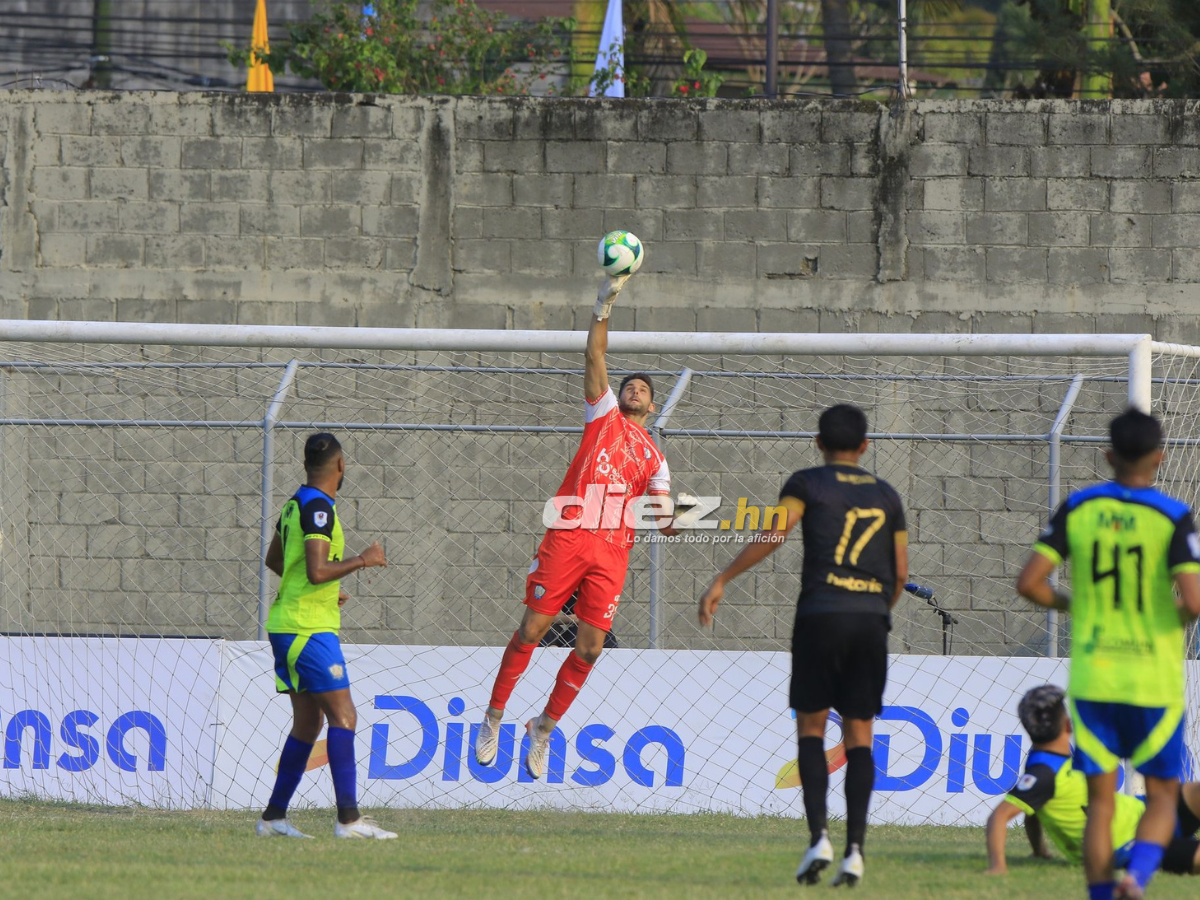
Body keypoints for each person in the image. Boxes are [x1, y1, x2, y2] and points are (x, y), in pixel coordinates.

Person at [474, 274, 676, 779]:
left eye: (644, 390)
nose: (634, 389)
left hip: (612, 552)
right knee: (533, 628)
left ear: (653, 407)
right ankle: (494, 715)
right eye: (631, 383)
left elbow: (663, 514)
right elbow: (594, 357)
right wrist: (602, 307)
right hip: (570, 535)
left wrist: (674, 521)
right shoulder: (603, 415)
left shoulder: (655, 456)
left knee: (589, 646)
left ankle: (543, 727)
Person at [697, 404, 907, 888]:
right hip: (870, 618)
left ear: (818, 443)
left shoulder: (806, 483)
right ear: (865, 446)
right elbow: (900, 573)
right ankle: (856, 850)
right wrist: (876, 612)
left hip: (820, 615)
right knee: (859, 736)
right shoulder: (888, 496)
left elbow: (775, 533)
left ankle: (819, 837)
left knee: (812, 731)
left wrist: (724, 577)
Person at [1016, 408, 1200, 899]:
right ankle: (1136, 880)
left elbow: (1029, 583)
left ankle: (1100, 896)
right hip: (1152, 680)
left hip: (1095, 679)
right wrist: (1167, 619)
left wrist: (1073, 604)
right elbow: (1196, 601)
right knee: (1161, 795)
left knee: (1101, 803)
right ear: (1160, 458)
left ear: (1108, 455)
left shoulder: (1078, 507)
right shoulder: (1172, 516)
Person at [256, 432, 395, 840]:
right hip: (307, 628)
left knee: (307, 724)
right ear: (340, 465)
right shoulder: (319, 508)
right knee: (344, 717)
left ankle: (273, 818)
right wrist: (362, 560)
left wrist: (325, 592)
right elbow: (316, 570)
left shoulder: (294, 503)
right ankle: (348, 820)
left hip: (290, 622)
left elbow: (276, 560)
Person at [986, 684, 1200, 878]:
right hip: (1127, 843)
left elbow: (1032, 811)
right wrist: (998, 867)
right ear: (1068, 725)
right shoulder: (1044, 772)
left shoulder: (1044, 763)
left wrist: (1039, 851)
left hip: (1143, 810)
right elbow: (999, 816)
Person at [540, 591, 619, 650]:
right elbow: (545, 616)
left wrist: (579, 619)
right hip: (572, 627)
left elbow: (597, 617)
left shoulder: (595, 585)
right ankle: (551, 650)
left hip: (588, 628)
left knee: (585, 628)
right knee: (545, 627)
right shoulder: (562, 583)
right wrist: (575, 618)